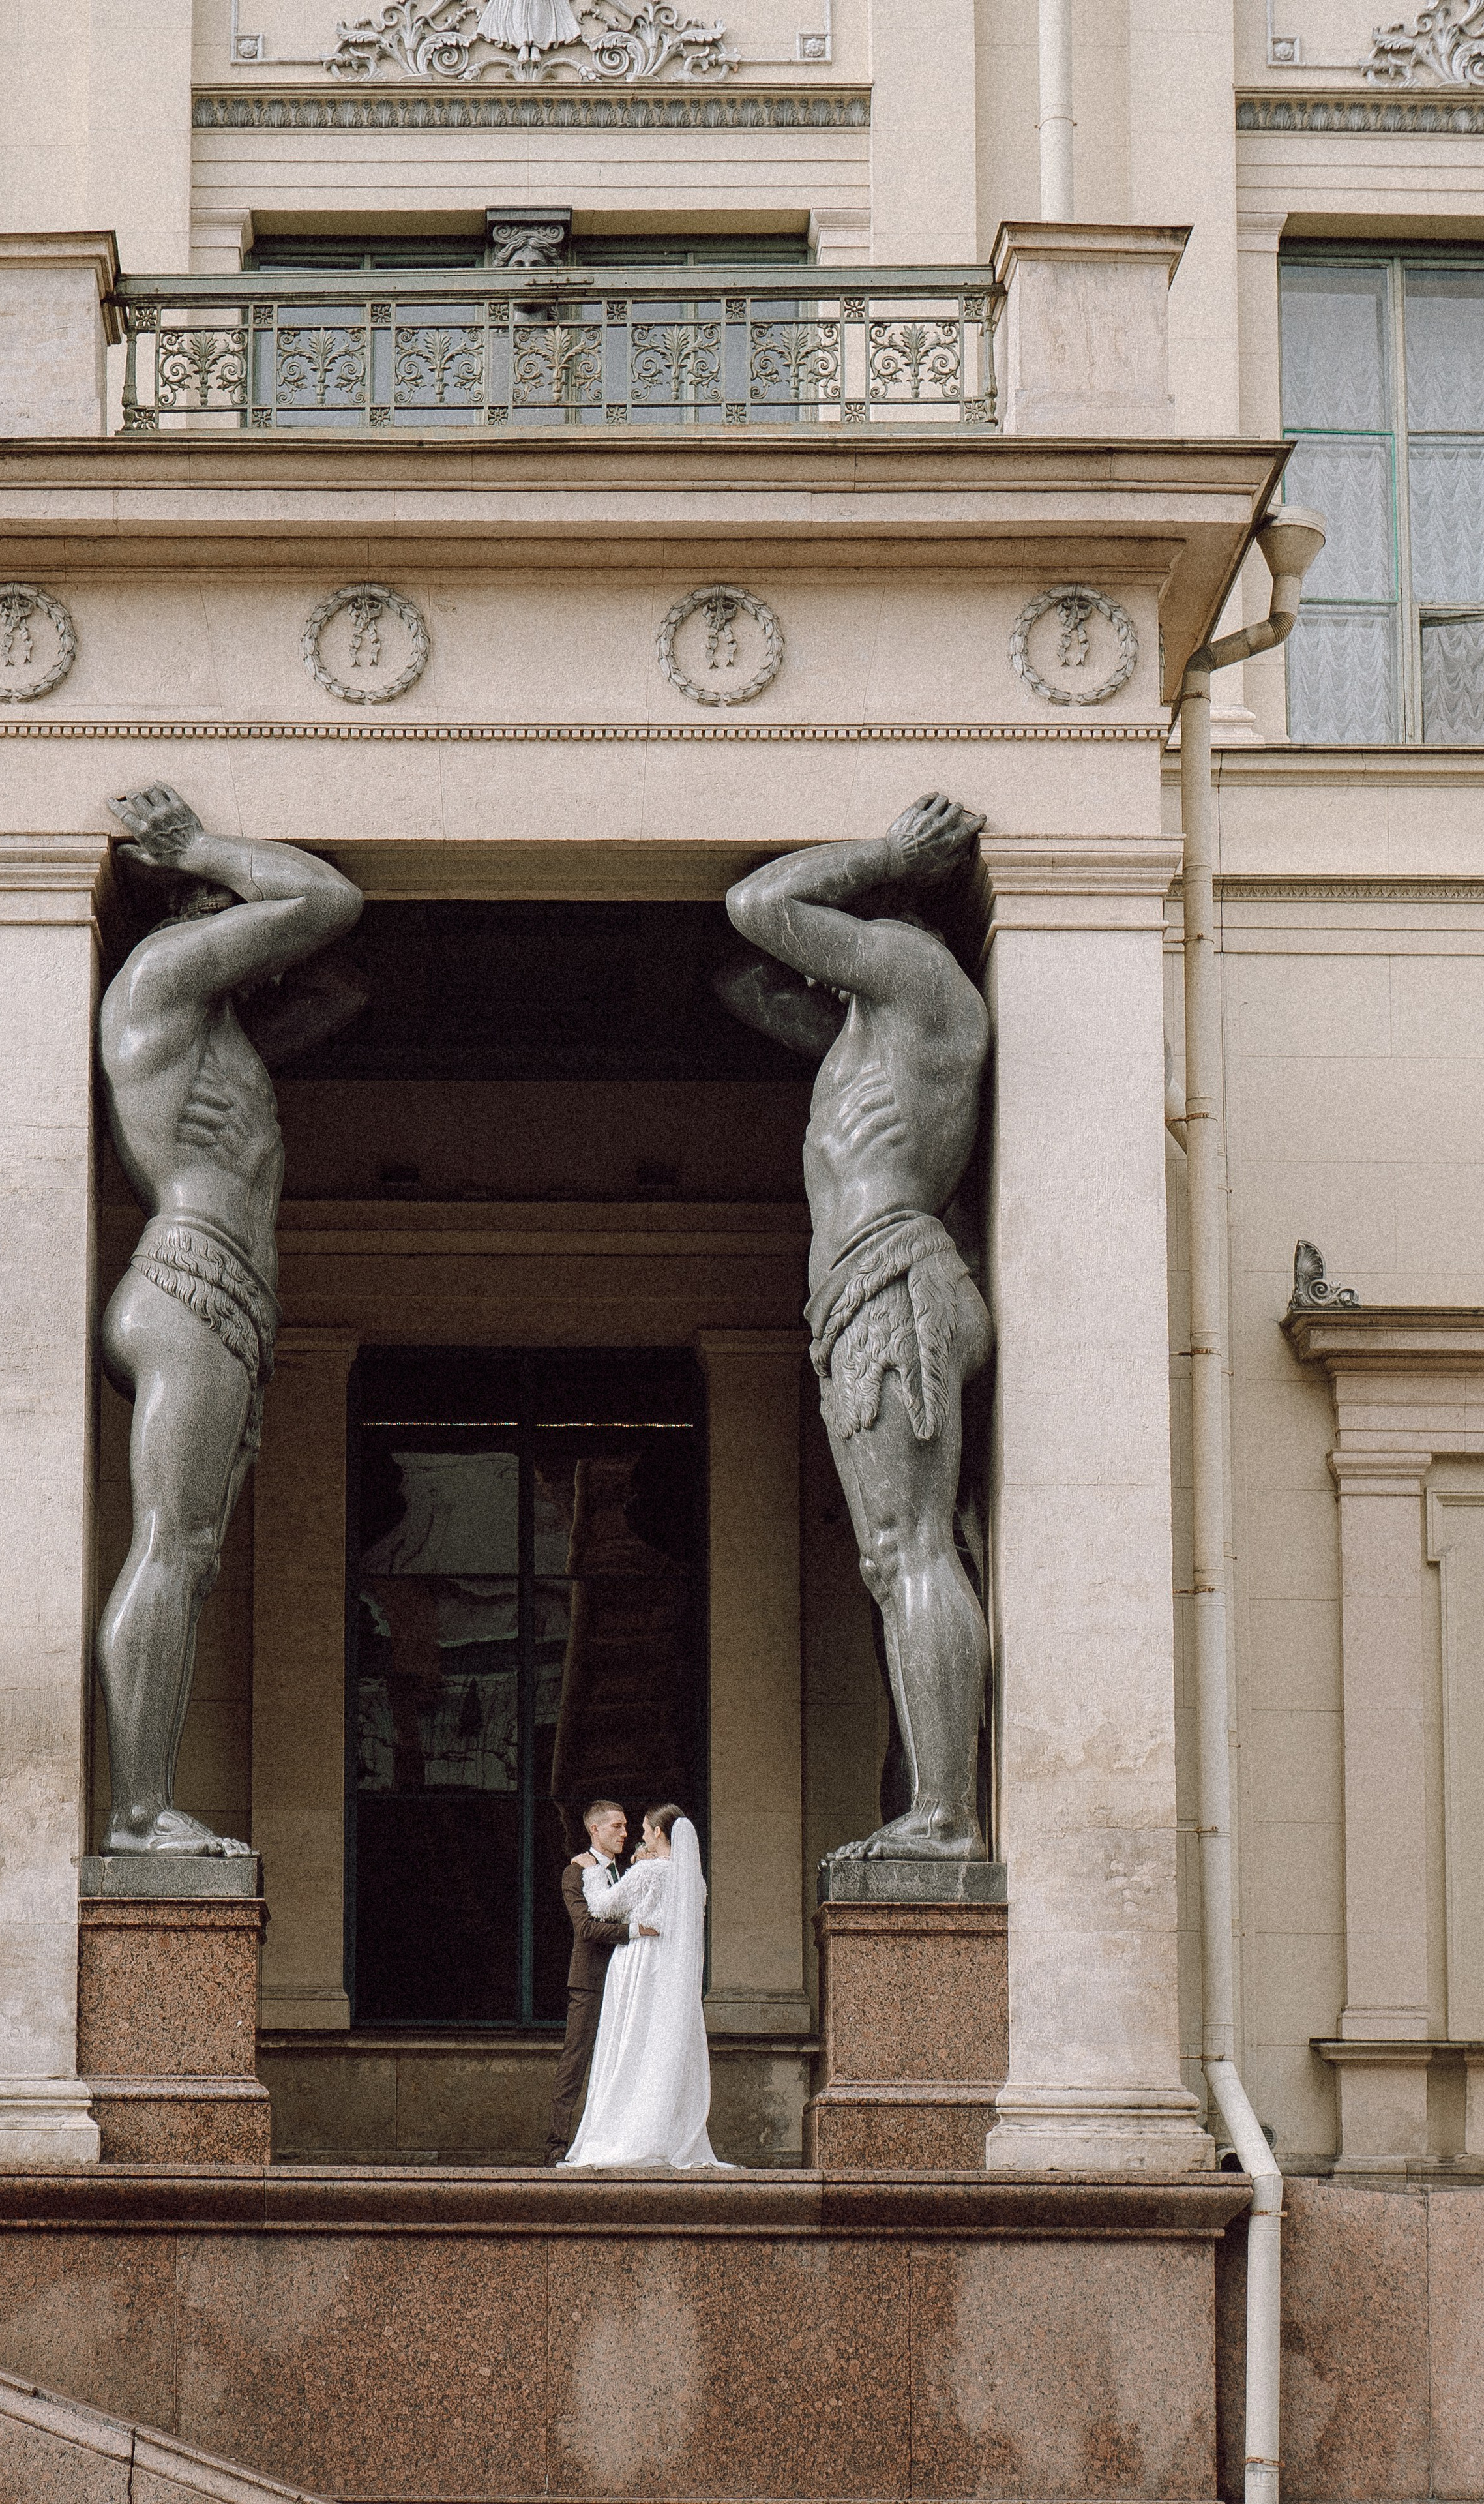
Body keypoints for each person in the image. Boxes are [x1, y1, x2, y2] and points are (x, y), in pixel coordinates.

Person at [720, 795, 994, 1862]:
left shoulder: (921, 981)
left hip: (891, 1282)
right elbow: (741, 980)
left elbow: (757, 906)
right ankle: (930, 1801)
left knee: (908, 1548)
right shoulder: (872, 1024)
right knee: (899, 1559)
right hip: (863, 1296)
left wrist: (885, 855)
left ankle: (945, 1817)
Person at [95, 784, 366, 1856]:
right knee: (170, 1546)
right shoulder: (157, 979)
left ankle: (146, 1806)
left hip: (227, 1300)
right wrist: (202, 847)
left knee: (191, 1554)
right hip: (187, 1281)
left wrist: (253, 944)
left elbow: (337, 986)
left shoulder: (215, 1031)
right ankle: (140, 1814)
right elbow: (326, 899)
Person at [561, 1805, 722, 2168]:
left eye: (647, 1830)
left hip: (640, 1967)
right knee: (657, 2048)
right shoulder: (694, 1881)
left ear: (661, 1834)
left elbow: (602, 1907)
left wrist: (591, 1875)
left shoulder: (648, 1871)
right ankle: (664, 2133)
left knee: (628, 2045)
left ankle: (622, 2131)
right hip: (671, 1973)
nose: (640, 1836)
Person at [546, 1798, 658, 2162]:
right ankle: (555, 2147)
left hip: (626, 1977)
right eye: (617, 1827)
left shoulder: (623, 1872)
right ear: (595, 1829)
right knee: (575, 2062)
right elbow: (587, 1928)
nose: (625, 1834)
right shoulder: (576, 1871)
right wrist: (635, 1930)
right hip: (590, 1980)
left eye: (627, 1827)